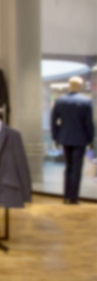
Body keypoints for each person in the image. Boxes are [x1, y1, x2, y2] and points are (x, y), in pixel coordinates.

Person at [51, 76, 95, 204]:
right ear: (79, 86)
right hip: (80, 138)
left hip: (64, 137)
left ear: (69, 85)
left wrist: (56, 137)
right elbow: (89, 123)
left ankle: (66, 196)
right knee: (76, 168)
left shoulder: (59, 101)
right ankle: (73, 197)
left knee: (68, 167)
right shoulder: (86, 102)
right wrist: (90, 139)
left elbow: (53, 121)